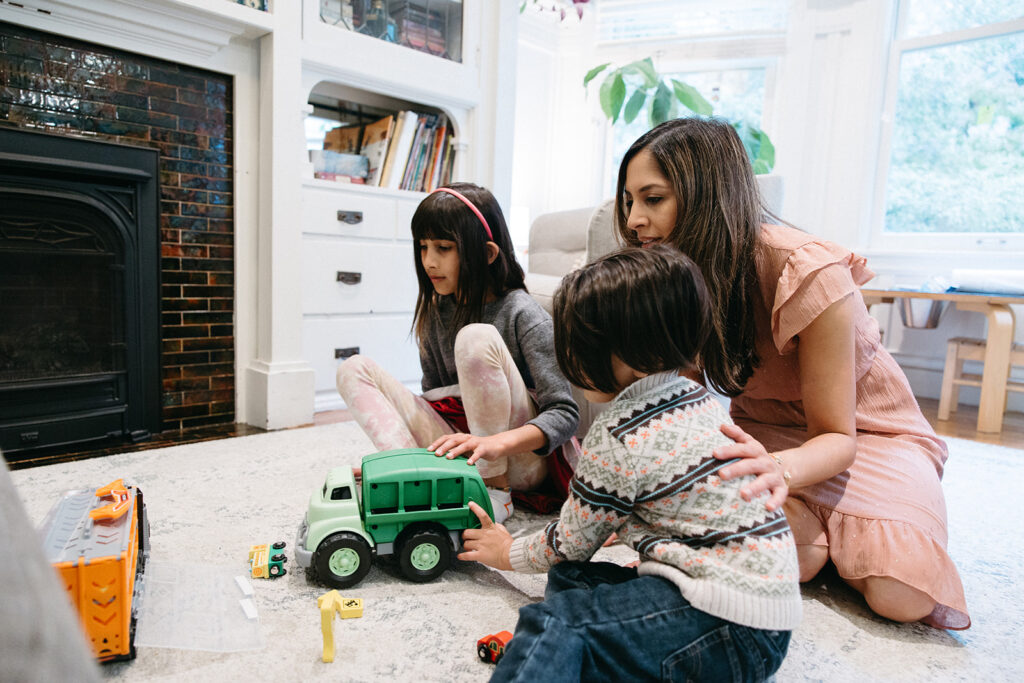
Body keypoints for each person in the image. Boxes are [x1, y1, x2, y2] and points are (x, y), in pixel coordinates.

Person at [613, 117, 969, 629]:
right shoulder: (676, 274)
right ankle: (836, 542)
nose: (633, 221)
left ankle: (862, 538)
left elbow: (836, 436)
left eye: (653, 199)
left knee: (901, 595)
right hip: (766, 435)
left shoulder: (808, 271)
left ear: (708, 196)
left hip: (868, 436)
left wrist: (775, 472)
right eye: (629, 202)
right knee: (791, 560)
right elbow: (683, 401)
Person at [460, 245, 801, 682]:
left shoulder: (619, 434)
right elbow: (576, 560)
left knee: (557, 620)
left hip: (723, 625)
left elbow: (570, 541)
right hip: (764, 622)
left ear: (626, 357)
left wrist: (507, 551)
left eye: (576, 348)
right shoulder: (703, 400)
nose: (568, 362)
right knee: (572, 581)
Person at [336, 183, 579, 522]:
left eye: (443, 247)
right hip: (464, 446)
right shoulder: (436, 311)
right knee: (353, 368)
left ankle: (494, 491)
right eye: (423, 247)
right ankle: (410, 477)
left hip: (520, 462)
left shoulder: (523, 314)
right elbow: (439, 401)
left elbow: (566, 415)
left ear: (489, 254)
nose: (428, 262)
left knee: (475, 338)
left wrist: (497, 445)